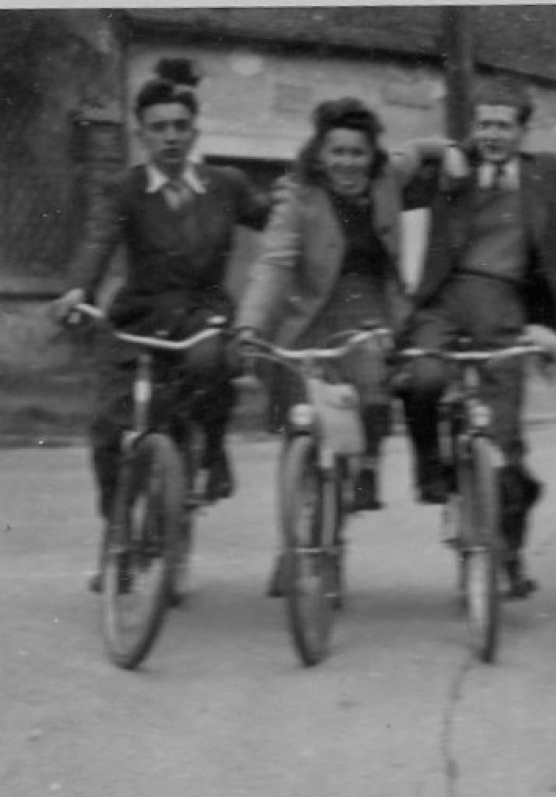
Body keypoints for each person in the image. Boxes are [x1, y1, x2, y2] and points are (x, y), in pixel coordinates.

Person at [49, 58, 271, 589]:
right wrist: (78, 288)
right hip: (140, 317)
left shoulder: (226, 184)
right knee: (108, 429)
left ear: (193, 130)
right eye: (158, 128)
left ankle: (210, 456)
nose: (171, 137)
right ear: (142, 134)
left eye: (180, 126)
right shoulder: (124, 191)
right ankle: (117, 537)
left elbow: (279, 222)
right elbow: (98, 242)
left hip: (203, 313)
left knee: (210, 363)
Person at [400, 79, 556, 599]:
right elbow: (387, 173)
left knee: (507, 447)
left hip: (507, 310)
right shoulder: (450, 171)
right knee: (421, 376)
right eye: (483, 124)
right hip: (445, 301)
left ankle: (510, 555)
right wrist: (435, 148)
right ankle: (431, 466)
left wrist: (549, 328)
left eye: (503, 125)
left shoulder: (546, 178)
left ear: (523, 131)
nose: (491, 135)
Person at [235, 97, 424, 517]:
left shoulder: (387, 179)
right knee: (298, 422)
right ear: (320, 154)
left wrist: (452, 152)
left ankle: (368, 468)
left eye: (357, 152)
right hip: (308, 316)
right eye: (337, 152)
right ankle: (291, 541)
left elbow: (419, 150)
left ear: (371, 155)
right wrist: (250, 326)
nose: (348, 163)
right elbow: (275, 262)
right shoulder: (296, 196)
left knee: (374, 393)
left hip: (369, 309)